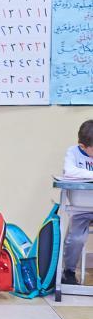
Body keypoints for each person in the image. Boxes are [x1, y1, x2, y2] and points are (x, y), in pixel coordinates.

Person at [61, 119, 93, 285]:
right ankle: (69, 271)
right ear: (82, 146)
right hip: (81, 208)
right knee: (76, 239)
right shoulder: (73, 152)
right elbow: (69, 171)